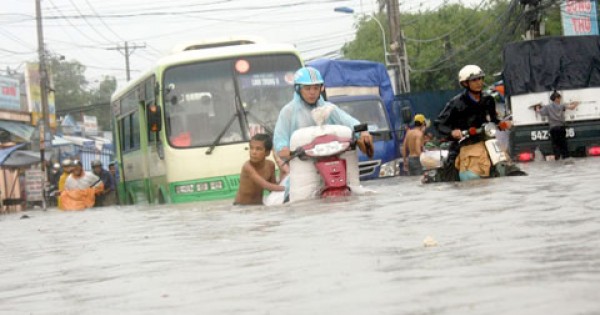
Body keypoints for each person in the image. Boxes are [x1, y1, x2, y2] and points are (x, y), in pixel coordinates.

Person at [273, 66, 374, 161]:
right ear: (298, 89)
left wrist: (363, 133)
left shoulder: (329, 108)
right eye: (307, 88)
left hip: (331, 160)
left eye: (316, 88)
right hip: (303, 164)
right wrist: (287, 150)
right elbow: (280, 141)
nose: (312, 92)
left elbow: (349, 121)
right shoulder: (288, 111)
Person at [435, 65, 510, 181]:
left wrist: (502, 123)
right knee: (452, 173)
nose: (479, 82)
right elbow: (439, 123)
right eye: (474, 80)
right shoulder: (456, 103)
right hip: (464, 142)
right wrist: (452, 132)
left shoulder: (488, 99)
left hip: (487, 141)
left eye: (480, 78)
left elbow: (494, 119)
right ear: (465, 83)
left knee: (508, 165)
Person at [234, 133, 285, 205]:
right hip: (241, 206)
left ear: (267, 153)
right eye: (251, 148)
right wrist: (287, 188)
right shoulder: (247, 166)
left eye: (258, 149)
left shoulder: (270, 165)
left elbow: (273, 188)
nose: (253, 152)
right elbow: (266, 185)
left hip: (258, 205)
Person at [535, 91, 579, 160]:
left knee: (555, 144)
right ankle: (565, 157)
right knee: (563, 143)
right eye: (559, 98)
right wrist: (576, 104)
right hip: (561, 127)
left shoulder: (548, 107)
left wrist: (537, 108)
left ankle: (557, 157)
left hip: (553, 128)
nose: (560, 100)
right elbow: (571, 108)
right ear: (556, 99)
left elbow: (540, 112)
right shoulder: (561, 106)